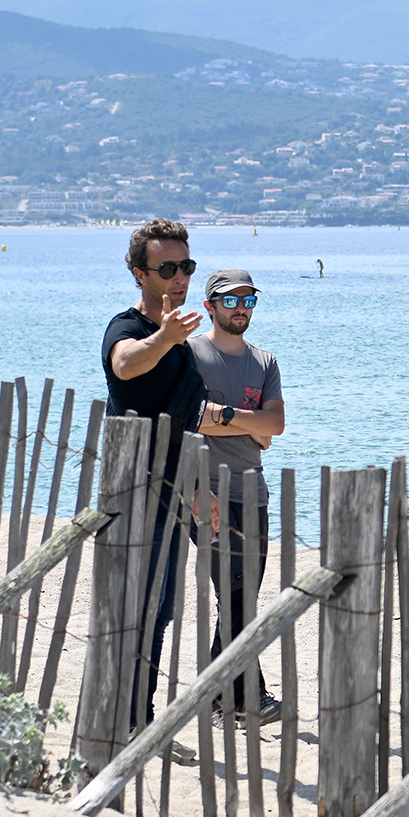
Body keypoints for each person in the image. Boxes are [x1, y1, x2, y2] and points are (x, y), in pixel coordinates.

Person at [99, 219, 241, 734]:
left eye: (187, 266)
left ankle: (140, 719)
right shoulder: (130, 329)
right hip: (133, 488)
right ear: (141, 274)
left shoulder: (179, 341)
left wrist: (197, 490)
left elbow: (181, 424)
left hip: (173, 486)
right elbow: (126, 367)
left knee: (159, 609)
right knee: (132, 605)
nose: (179, 276)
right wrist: (165, 335)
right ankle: (119, 719)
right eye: (167, 268)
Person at [187, 268, 286, 725]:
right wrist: (248, 419)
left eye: (248, 301)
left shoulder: (264, 362)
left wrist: (222, 415)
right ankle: (240, 699)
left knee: (240, 598)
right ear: (210, 306)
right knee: (236, 596)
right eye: (231, 301)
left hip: (255, 493)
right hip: (206, 493)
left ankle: (228, 698)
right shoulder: (189, 354)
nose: (241, 309)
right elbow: (189, 419)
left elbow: (275, 428)